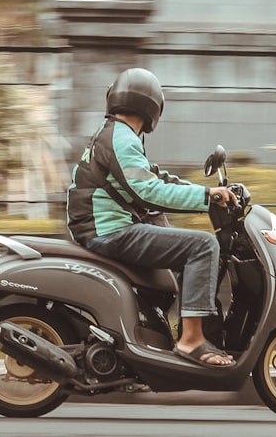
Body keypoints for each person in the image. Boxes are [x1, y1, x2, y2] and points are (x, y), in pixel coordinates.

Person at [66, 67, 238, 368]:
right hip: (109, 231)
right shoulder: (120, 138)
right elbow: (147, 190)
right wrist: (204, 198)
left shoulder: (115, 135)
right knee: (203, 246)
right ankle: (191, 341)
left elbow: (155, 177)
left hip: (103, 227)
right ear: (151, 106)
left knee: (165, 228)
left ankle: (156, 329)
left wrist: (205, 191)